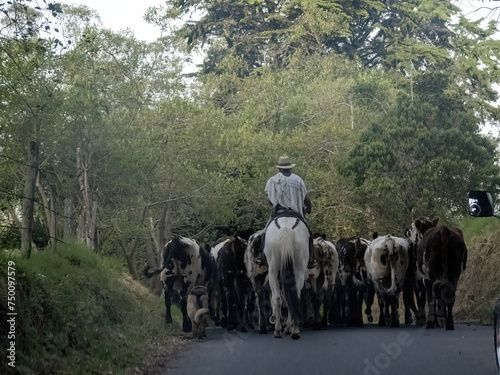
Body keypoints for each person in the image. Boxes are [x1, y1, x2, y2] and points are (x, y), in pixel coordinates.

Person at [254, 155, 316, 269]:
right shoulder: (298, 180)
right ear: (290, 167)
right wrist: (308, 209)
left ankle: (260, 255)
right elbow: (306, 199)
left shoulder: (273, 180)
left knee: (265, 231)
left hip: (279, 213)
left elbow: (270, 201)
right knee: (309, 233)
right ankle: (312, 258)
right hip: (296, 214)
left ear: (279, 168)